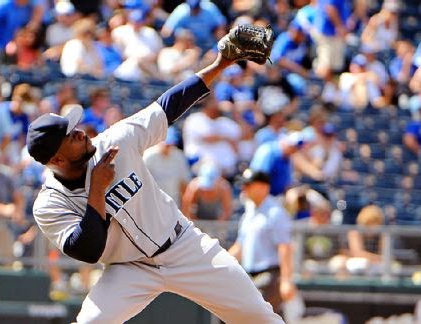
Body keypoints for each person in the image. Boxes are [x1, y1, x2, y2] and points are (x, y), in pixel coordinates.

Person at [27, 24, 283, 323]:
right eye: (71, 136)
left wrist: (220, 64)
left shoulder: (115, 141)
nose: (81, 133)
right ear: (56, 159)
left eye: (76, 128)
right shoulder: (49, 204)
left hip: (185, 247)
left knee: (260, 317)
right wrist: (97, 188)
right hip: (128, 269)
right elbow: (88, 250)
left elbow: (167, 106)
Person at [228, 169, 296, 314]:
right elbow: (240, 246)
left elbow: (285, 247)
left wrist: (286, 280)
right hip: (250, 276)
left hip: (270, 275)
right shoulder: (249, 212)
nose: (243, 189)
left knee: (258, 317)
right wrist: (220, 262)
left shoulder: (275, 212)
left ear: (263, 187)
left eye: (248, 185)